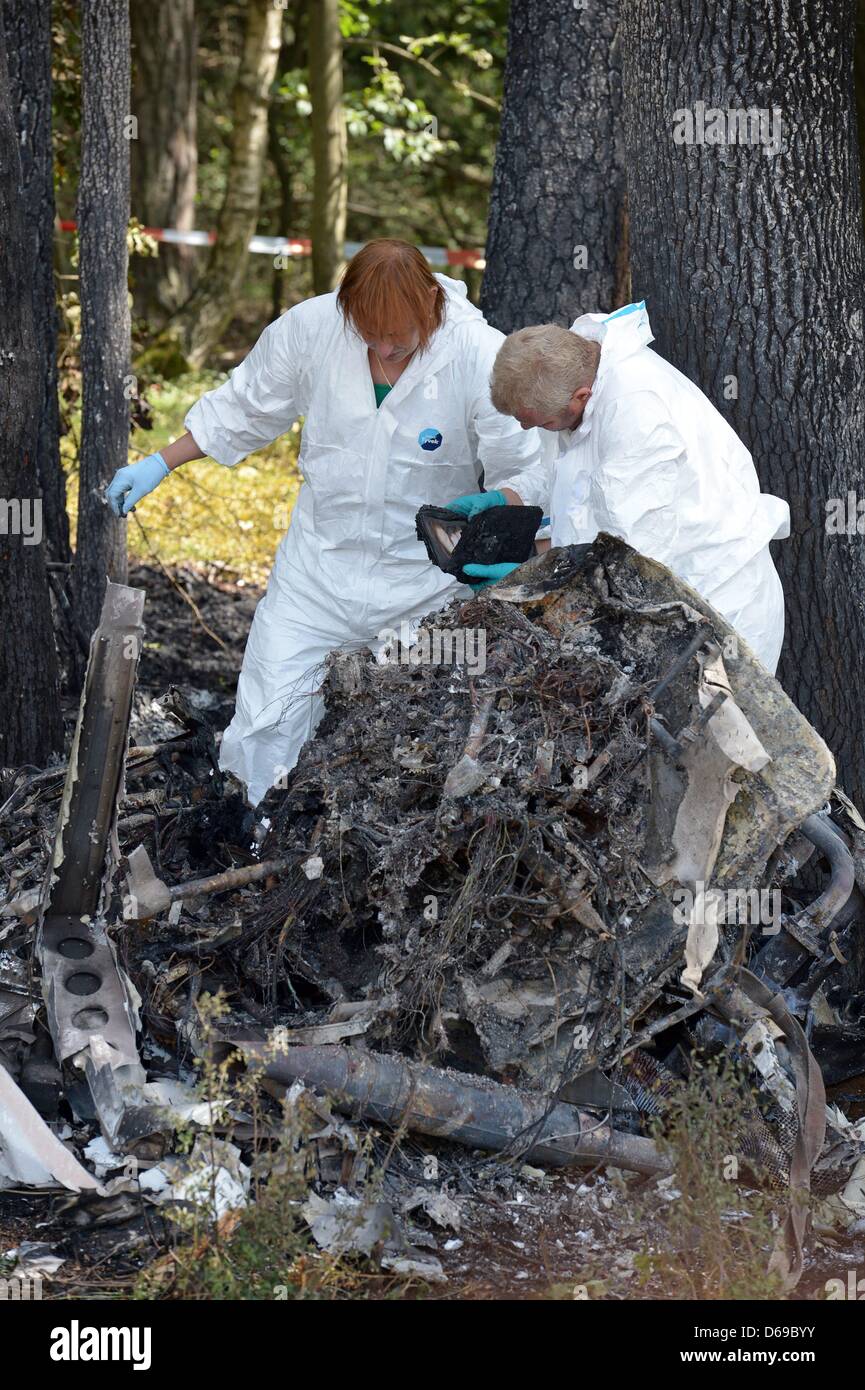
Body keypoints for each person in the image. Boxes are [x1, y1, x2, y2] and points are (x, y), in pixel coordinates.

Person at [107, 239, 551, 805]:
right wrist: (158, 463)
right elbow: (244, 408)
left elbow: (529, 470)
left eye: (400, 337)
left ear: (431, 309)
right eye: (372, 335)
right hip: (317, 574)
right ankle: (251, 840)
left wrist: (491, 513)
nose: (386, 349)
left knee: (416, 744)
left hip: (427, 589)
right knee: (265, 722)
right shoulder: (312, 329)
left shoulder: (478, 356)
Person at [465, 301, 790, 674]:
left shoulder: (636, 415)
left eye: (540, 423)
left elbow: (630, 558)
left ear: (581, 397)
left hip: (715, 605)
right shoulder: (573, 373)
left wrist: (529, 580)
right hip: (659, 607)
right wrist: (506, 499)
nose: (528, 431)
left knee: (719, 730)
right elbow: (568, 471)